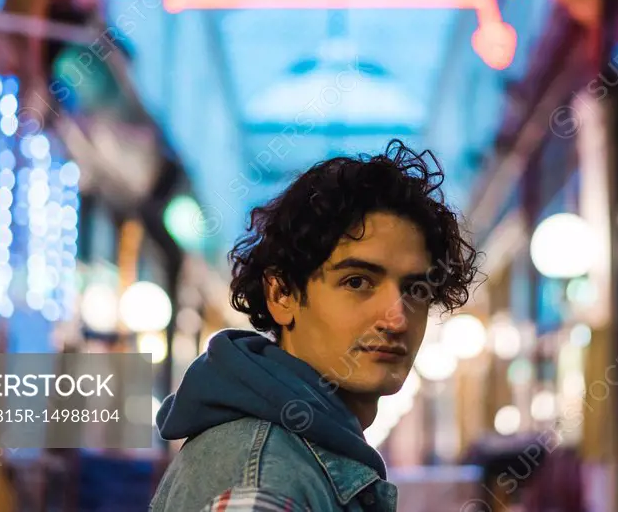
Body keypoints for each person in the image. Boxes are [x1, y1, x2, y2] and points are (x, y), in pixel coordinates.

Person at [149, 140, 481, 511]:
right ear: (281, 295)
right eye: (357, 282)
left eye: (414, 290)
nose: (397, 318)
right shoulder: (262, 480)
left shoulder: (297, 455)